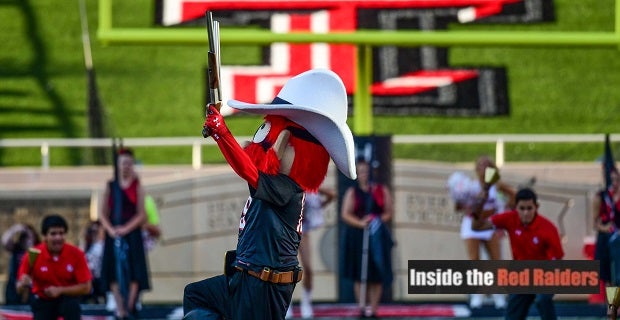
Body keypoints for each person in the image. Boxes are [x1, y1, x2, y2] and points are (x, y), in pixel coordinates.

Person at [182, 69, 356, 320]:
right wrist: (221, 135)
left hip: (263, 287)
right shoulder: (277, 184)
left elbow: (249, 171)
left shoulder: (288, 189)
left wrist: (222, 133)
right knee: (197, 296)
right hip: (246, 276)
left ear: (286, 145)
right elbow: (249, 167)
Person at [471, 188, 564, 320]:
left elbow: (557, 260)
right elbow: (476, 227)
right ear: (516, 208)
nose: (526, 213)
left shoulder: (548, 229)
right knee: (512, 316)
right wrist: (480, 204)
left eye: (529, 208)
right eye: (522, 208)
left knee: (543, 300)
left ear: (536, 207)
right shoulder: (510, 218)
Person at [450, 155, 515, 309]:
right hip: (472, 223)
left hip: (490, 224)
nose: (483, 168)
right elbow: (458, 206)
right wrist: (466, 204)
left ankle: (497, 294)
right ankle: (477, 294)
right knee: (475, 261)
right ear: (476, 169)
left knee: (495, 261)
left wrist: (506, 209)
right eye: (480, 166)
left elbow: (513, 195)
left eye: (487, 165)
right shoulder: (470, 186)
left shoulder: (496, 185)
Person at [100, 147, 151, 319]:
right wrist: (111, 230)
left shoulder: (137, 185)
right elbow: (102, 213)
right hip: (113, 232)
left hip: (131, 232)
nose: (126, 167)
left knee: (135, 269)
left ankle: (129, 306)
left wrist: (126, 229)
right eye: (123, 163)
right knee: (113, 270)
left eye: (129, 163)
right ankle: (120, 308)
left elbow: (142, 214)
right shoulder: (110, 185)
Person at [341, 159, 394, 318]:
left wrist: (376, 221)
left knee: (376, 273)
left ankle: (374, 309)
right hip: (358, 236)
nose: (364, 175)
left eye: (366, 171)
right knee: (359, 273)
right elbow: (345, 214)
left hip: (377, 236)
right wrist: (361, 223)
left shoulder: (380, 190)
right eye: (361, 171)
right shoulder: (352, 192)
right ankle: (362, 307)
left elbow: (388, 211)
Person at [15, 214, 92, 320]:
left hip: (67, 299)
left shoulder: (76, 254)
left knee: (72, 306)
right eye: (53, 234)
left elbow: (86, 287)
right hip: (43, 301)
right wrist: (23, 284)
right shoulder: (33, 254)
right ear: (45, 236)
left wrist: (60, 290)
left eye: (61, 233)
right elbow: (19, 287)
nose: (58, 238)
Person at [286, 187, 336, 319]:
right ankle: (286, 304)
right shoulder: (287, 184)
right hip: (287, 232)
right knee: (286, 269)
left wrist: (319, 206)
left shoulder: (308, 186)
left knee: (308, 269)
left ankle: (306, 302)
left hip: (303, 232)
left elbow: (331, 194)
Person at [2, 223, 40, 305]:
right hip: (14, 283)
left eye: (28, 237)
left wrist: (29, 232)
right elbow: (4, 241)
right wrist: (15, 229)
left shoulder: (38, 249)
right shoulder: (16, 249)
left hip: (32, 285)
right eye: (24, 237)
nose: (26, 240)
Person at [82, 220, 106, 304]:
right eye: (92, 231)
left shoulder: (103, 246)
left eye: (97, 231)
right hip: (89, 278)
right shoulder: (86, 246)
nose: (95, 234)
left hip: (101, 278)